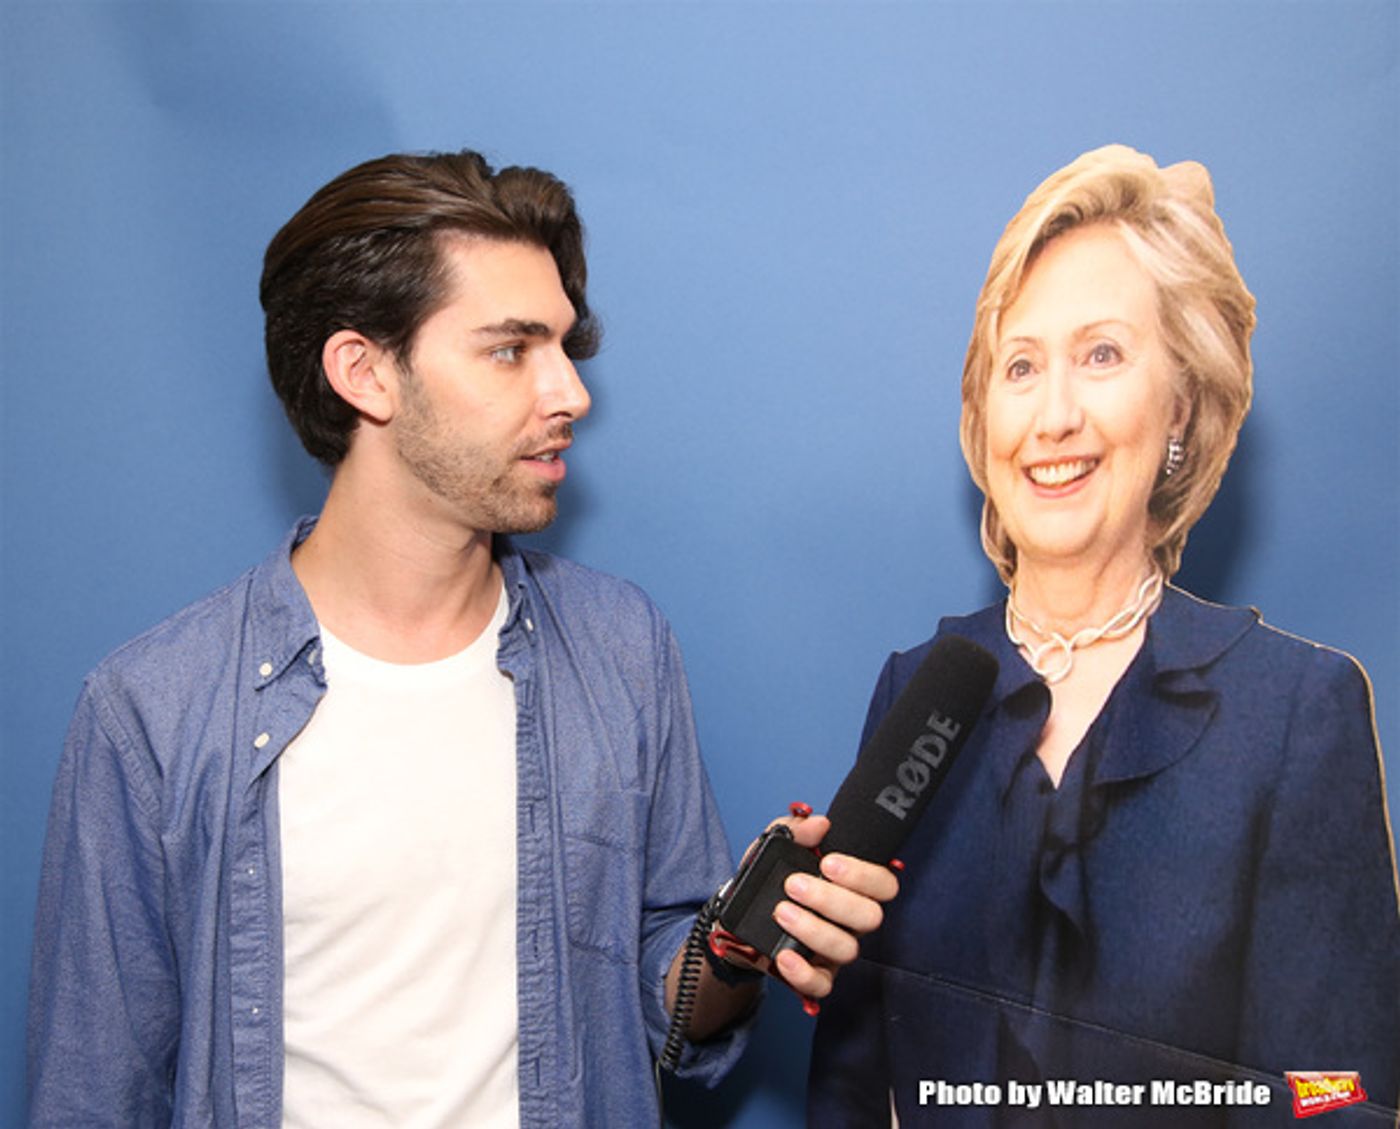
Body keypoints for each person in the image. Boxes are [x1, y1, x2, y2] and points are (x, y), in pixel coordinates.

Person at [27, 149, 895, 1129]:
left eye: (564, 347)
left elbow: (671, 990)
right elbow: (92, 1094)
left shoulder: (620, 647)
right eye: (510, 349)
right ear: (364, 372)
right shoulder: (153, 709)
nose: (570, 393)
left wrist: (732, 947)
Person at [808, 145, 1400, 1127]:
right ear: (981, 411)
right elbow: (849, 1085)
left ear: (1177, 406)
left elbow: (1335, 1094)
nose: (1052, 415)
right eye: (1021, 364)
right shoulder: (912, 693)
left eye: (1101, 355)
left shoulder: (1296, 709)